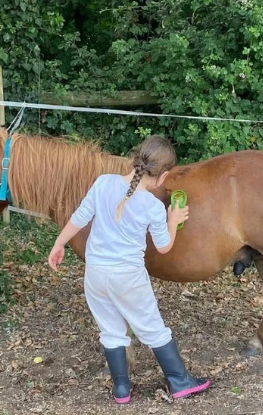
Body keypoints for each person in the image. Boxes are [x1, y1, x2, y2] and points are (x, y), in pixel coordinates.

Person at [47, 135, 210, 404]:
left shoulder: (103, 183)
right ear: (163, 175)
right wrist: (172, 221)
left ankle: (121, 389)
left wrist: (59, 243)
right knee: (153, 328)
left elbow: (80, 217)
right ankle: (180, 381)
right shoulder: (153, 206)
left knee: (111, 330)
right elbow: (164, 246)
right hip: (128, 276)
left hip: (95, 273)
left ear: (135, 159)